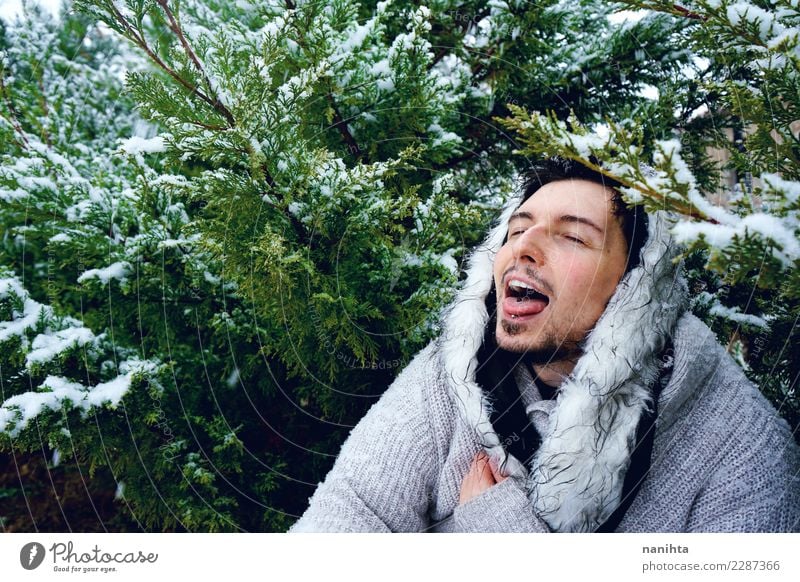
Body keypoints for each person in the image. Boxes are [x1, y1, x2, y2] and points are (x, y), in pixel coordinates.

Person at [289, 158, 800, 533]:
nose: (523, 249)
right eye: (516, 230)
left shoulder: (740, 446)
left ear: (637, 285)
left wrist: (499, 535)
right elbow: (342, 523)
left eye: (573, 237)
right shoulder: (449, 378)